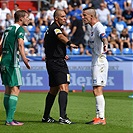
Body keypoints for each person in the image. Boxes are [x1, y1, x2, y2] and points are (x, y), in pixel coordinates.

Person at [42, 9, 78, 124]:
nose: (65, 18)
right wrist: (69, 43)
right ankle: (63, 117)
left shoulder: (49, 30)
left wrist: (60, 53)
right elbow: (60, 37)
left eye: (65, 16)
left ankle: (46, 116)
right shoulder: (55, 29)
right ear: (56, 18)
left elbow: (46, 44)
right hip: (57, 63)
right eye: (62, 16)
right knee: (64, 87)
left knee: (53, 90)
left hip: (51, 61)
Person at [0, 10, 31, 126]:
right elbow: (21, 44)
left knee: (8, 89)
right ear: (21, 18)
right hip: (13, 63)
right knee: (15, 89)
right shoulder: (20, 29)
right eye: (27, 17)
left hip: (4, 62)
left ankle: (9, 119)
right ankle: (9, 120)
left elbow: (0, 45)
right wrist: (24, 58)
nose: (28, 19)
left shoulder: (7, 29)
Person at [82, 7, 108, 125]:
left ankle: (101, 118)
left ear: (91, 16)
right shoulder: (92, 28)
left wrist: (106, 44)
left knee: (97, 89)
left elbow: (103, 36)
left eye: (84, 15)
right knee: (95, 89)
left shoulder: (98, 26)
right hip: (95, 61)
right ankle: (98, 116)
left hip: (100, 61)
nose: (83, 18)